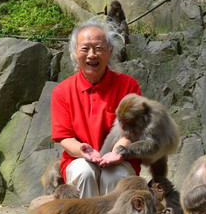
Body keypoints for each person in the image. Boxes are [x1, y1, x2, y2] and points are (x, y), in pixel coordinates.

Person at [51, 19, 142, 198]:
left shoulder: (128, 85)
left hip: (121, 157)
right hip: (78, 158)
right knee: (84, 173)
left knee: (115, 176)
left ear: (110, 51)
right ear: (75, 53)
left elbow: (131, 132)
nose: (92, 55)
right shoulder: (62, 91)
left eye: (99, 48)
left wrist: (117, 152)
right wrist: (83, 151)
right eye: (85, 48)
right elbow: (65, 137)